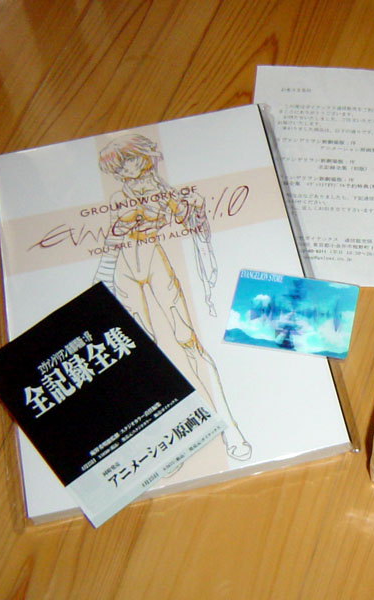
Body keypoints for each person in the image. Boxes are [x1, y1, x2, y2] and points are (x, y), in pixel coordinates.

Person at [94, 133, 252, 461]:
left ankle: (231, 428)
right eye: (119, 168)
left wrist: (192, 209)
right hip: (124, 270)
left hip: (154, 262)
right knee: (142, 354)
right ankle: (161, 444)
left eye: (129, 161)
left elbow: (190, 219)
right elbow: (110, 244)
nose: (126, 171)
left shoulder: (163, 191)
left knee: (189, 342)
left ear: (144, 156)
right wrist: (119, 233)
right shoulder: (120, 197)